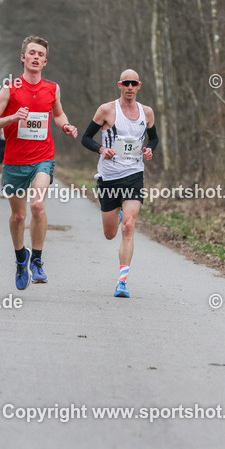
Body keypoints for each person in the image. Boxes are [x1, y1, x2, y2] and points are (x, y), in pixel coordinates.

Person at [0, 36, 78, 289]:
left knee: (37, 205)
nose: (36, 57)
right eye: (31, 53)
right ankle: (19, 259)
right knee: (18, 216)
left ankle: (36, 259)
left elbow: (57, 113)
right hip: (14, 161)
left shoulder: (52, 88)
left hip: (42, 157)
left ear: (45, 62)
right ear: (23, 58)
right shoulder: (10, 88)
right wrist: (13, 117)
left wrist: (66, 125)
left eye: (40, 55)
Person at [80, 69, 158, 298]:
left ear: (139, 86)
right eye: (126, 83)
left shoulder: (147, 112)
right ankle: (120, 213)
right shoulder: (107, 110)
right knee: (110, 233)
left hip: (134, 174)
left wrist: (149, 150)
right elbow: (86, 138)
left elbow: (154, 138)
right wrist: (101, 148)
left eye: (134, 83)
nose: (130, 87)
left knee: (129, 227)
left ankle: (122, 282)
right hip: (109, 178)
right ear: (120, 85)